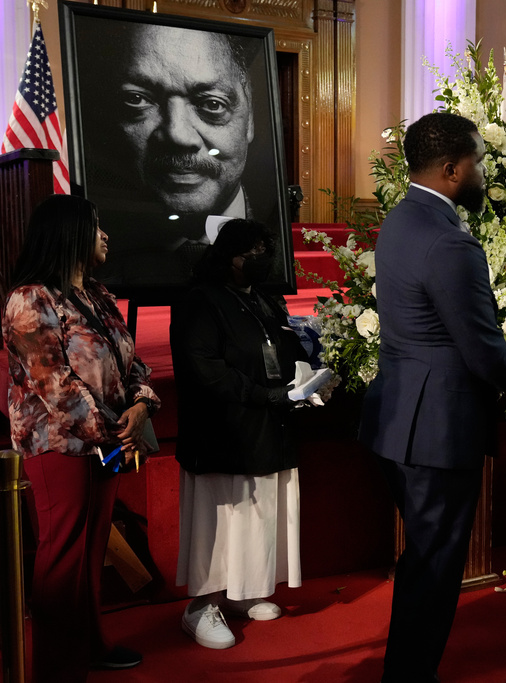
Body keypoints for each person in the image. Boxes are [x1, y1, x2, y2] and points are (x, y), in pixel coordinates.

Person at [359, 112, 506, 683]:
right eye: (479, 161)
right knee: (435, 565)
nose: (484, 172)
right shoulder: (449, 239)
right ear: (451, 169)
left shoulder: (399, 218)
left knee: (424, 559)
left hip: (398, 418)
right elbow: (481, 348)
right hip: (436, 428)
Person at [3, 194, 160, 681]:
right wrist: (118, 431)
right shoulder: (31, 298)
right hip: (60, 447)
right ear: (69, 235)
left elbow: (131, 362)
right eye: (96, 228)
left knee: (92, 546)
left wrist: (141, 403)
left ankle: (89, 644)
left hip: (109, 441)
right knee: (63, 554)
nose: (105, 236)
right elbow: (53, 382)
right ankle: (55, 667)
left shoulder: (96, 293)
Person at [171, 219, 312, 649]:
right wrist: (265, 395)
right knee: (224, 515)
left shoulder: (265, 299)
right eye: (253, 251)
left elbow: (286, 349)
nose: (261, 258)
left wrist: (306, 379)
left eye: (266, 249)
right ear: (230, 256)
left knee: (259, 512)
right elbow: (206, 372)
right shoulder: (199, 301)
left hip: (267, 424)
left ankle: (240, 592)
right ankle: (200, 606)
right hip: (222, 432)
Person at [76, 21, 275, 286]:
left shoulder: (280, 256)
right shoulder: (100, 270)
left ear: (249, 118)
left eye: (212, 104)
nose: (178, 135)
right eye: (138, 100)